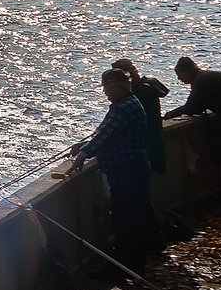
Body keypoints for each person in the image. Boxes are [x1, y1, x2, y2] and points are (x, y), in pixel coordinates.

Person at [65, 67, 158, 275]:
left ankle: (124, 267)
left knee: (124, 221)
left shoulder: (123, 108)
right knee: (132, 219)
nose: (105, 92)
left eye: (106, 87)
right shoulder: (127, 104)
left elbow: (103, 136)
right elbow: (108, 134)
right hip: (133, 170)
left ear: (116, 86)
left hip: (129, 172)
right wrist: (84, 145)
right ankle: (131, 264)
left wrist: (82, 154)